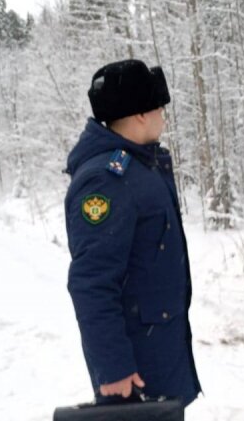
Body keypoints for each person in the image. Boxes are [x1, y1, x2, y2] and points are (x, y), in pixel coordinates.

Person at [64, 59, 201, 406]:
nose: (163, 115)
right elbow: (92, 282)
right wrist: (113, 367)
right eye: (159, 107)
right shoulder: (106, 179)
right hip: (134, 370)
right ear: (141, 113)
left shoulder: (141, 165)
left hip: (160, 352)